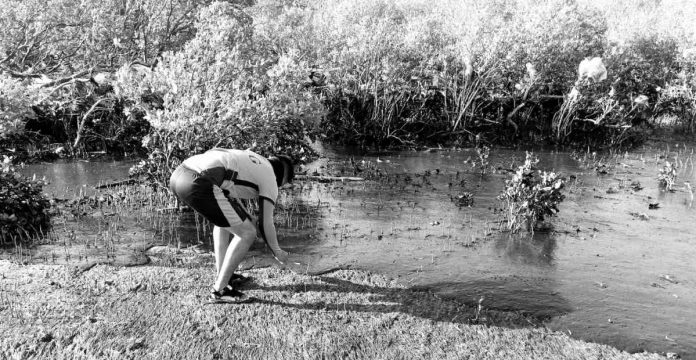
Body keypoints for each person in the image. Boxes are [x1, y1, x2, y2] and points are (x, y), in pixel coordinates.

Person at [169, 148, 295, 303]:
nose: (284, 186)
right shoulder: (270, 178)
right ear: (283, 175)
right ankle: (220, 291)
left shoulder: (254, 159)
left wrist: (248, 216)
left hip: (179, 174)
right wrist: (277, 251)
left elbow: (228, 195)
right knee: (248, 233)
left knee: (223, 224)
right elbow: (265, 222)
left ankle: (224, 275)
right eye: (287, 181)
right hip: (198, 182)